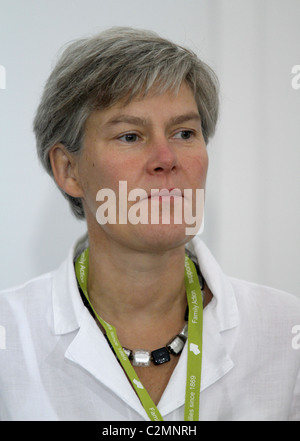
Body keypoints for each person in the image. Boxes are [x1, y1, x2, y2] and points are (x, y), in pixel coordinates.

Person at [0, 27, 299, 422]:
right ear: (68, 169)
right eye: (130, 136)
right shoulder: (11, 339)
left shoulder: (286, 332)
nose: (166, 157)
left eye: (184, 133)